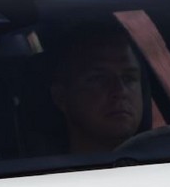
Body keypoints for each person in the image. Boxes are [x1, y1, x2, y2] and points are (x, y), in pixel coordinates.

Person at [44, 23, 149, 154]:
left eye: (128, 78)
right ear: (60, 97)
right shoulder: (37, 172)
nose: (120, 91)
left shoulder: (169, 161)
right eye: (99, 79)